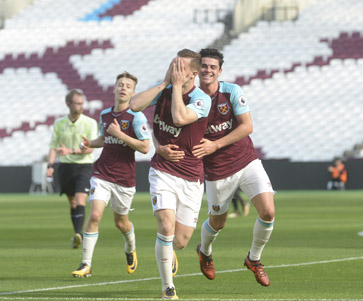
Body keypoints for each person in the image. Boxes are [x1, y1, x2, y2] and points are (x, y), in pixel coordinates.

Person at [130, 49, 211, 300]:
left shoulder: (201, 99)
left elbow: (178, 117)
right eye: (173, 64)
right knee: (165, 227)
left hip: (191, 175)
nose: (174, 69)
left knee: (181, 241)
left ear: (193, 74)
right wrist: (166, 82)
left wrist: (174, 86)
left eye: (180, 67)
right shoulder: (164, 88)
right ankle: (168, 289)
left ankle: (169, 251)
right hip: (162, 171)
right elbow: (133, 105)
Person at [192, 48, 275, 287]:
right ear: (197, 70)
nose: (208, 70)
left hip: (246, 161)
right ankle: (205, 251)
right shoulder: (192, 98)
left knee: (268, 212)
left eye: (212, 67)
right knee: (218, 222)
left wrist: (215, 144)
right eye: (204, 66)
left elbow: (247, 126)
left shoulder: (231, 91)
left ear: (219, 71)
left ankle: (254, 259)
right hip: (216, 171)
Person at [71, 72, 150, 278]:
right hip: (102, 173)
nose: (123, 88)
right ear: (114, 88)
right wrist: (89, 143)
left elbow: (145, 147)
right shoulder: (105, 114)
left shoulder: (136, 116)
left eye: (128, 86)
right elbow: (104, 139)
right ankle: (86, 264)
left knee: (121, 223)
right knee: (95, 215)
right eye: (120, 84)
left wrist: (120, 134)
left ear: (133, 92)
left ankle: (130, 247)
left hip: (124, 179)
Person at [47, 89, 98, 248]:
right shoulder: (59, 123)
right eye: (77, 103)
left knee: (80, 199)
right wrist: (50, 166)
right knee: (72, 202)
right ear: (68, 104)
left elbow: (91, 148)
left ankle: (78, 234)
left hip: (84, 165)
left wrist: (71, 151)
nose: (80, 106)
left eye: (82, 103)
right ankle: (77, 233)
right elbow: (53, 146)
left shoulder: (90, 122)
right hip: (65, 166)